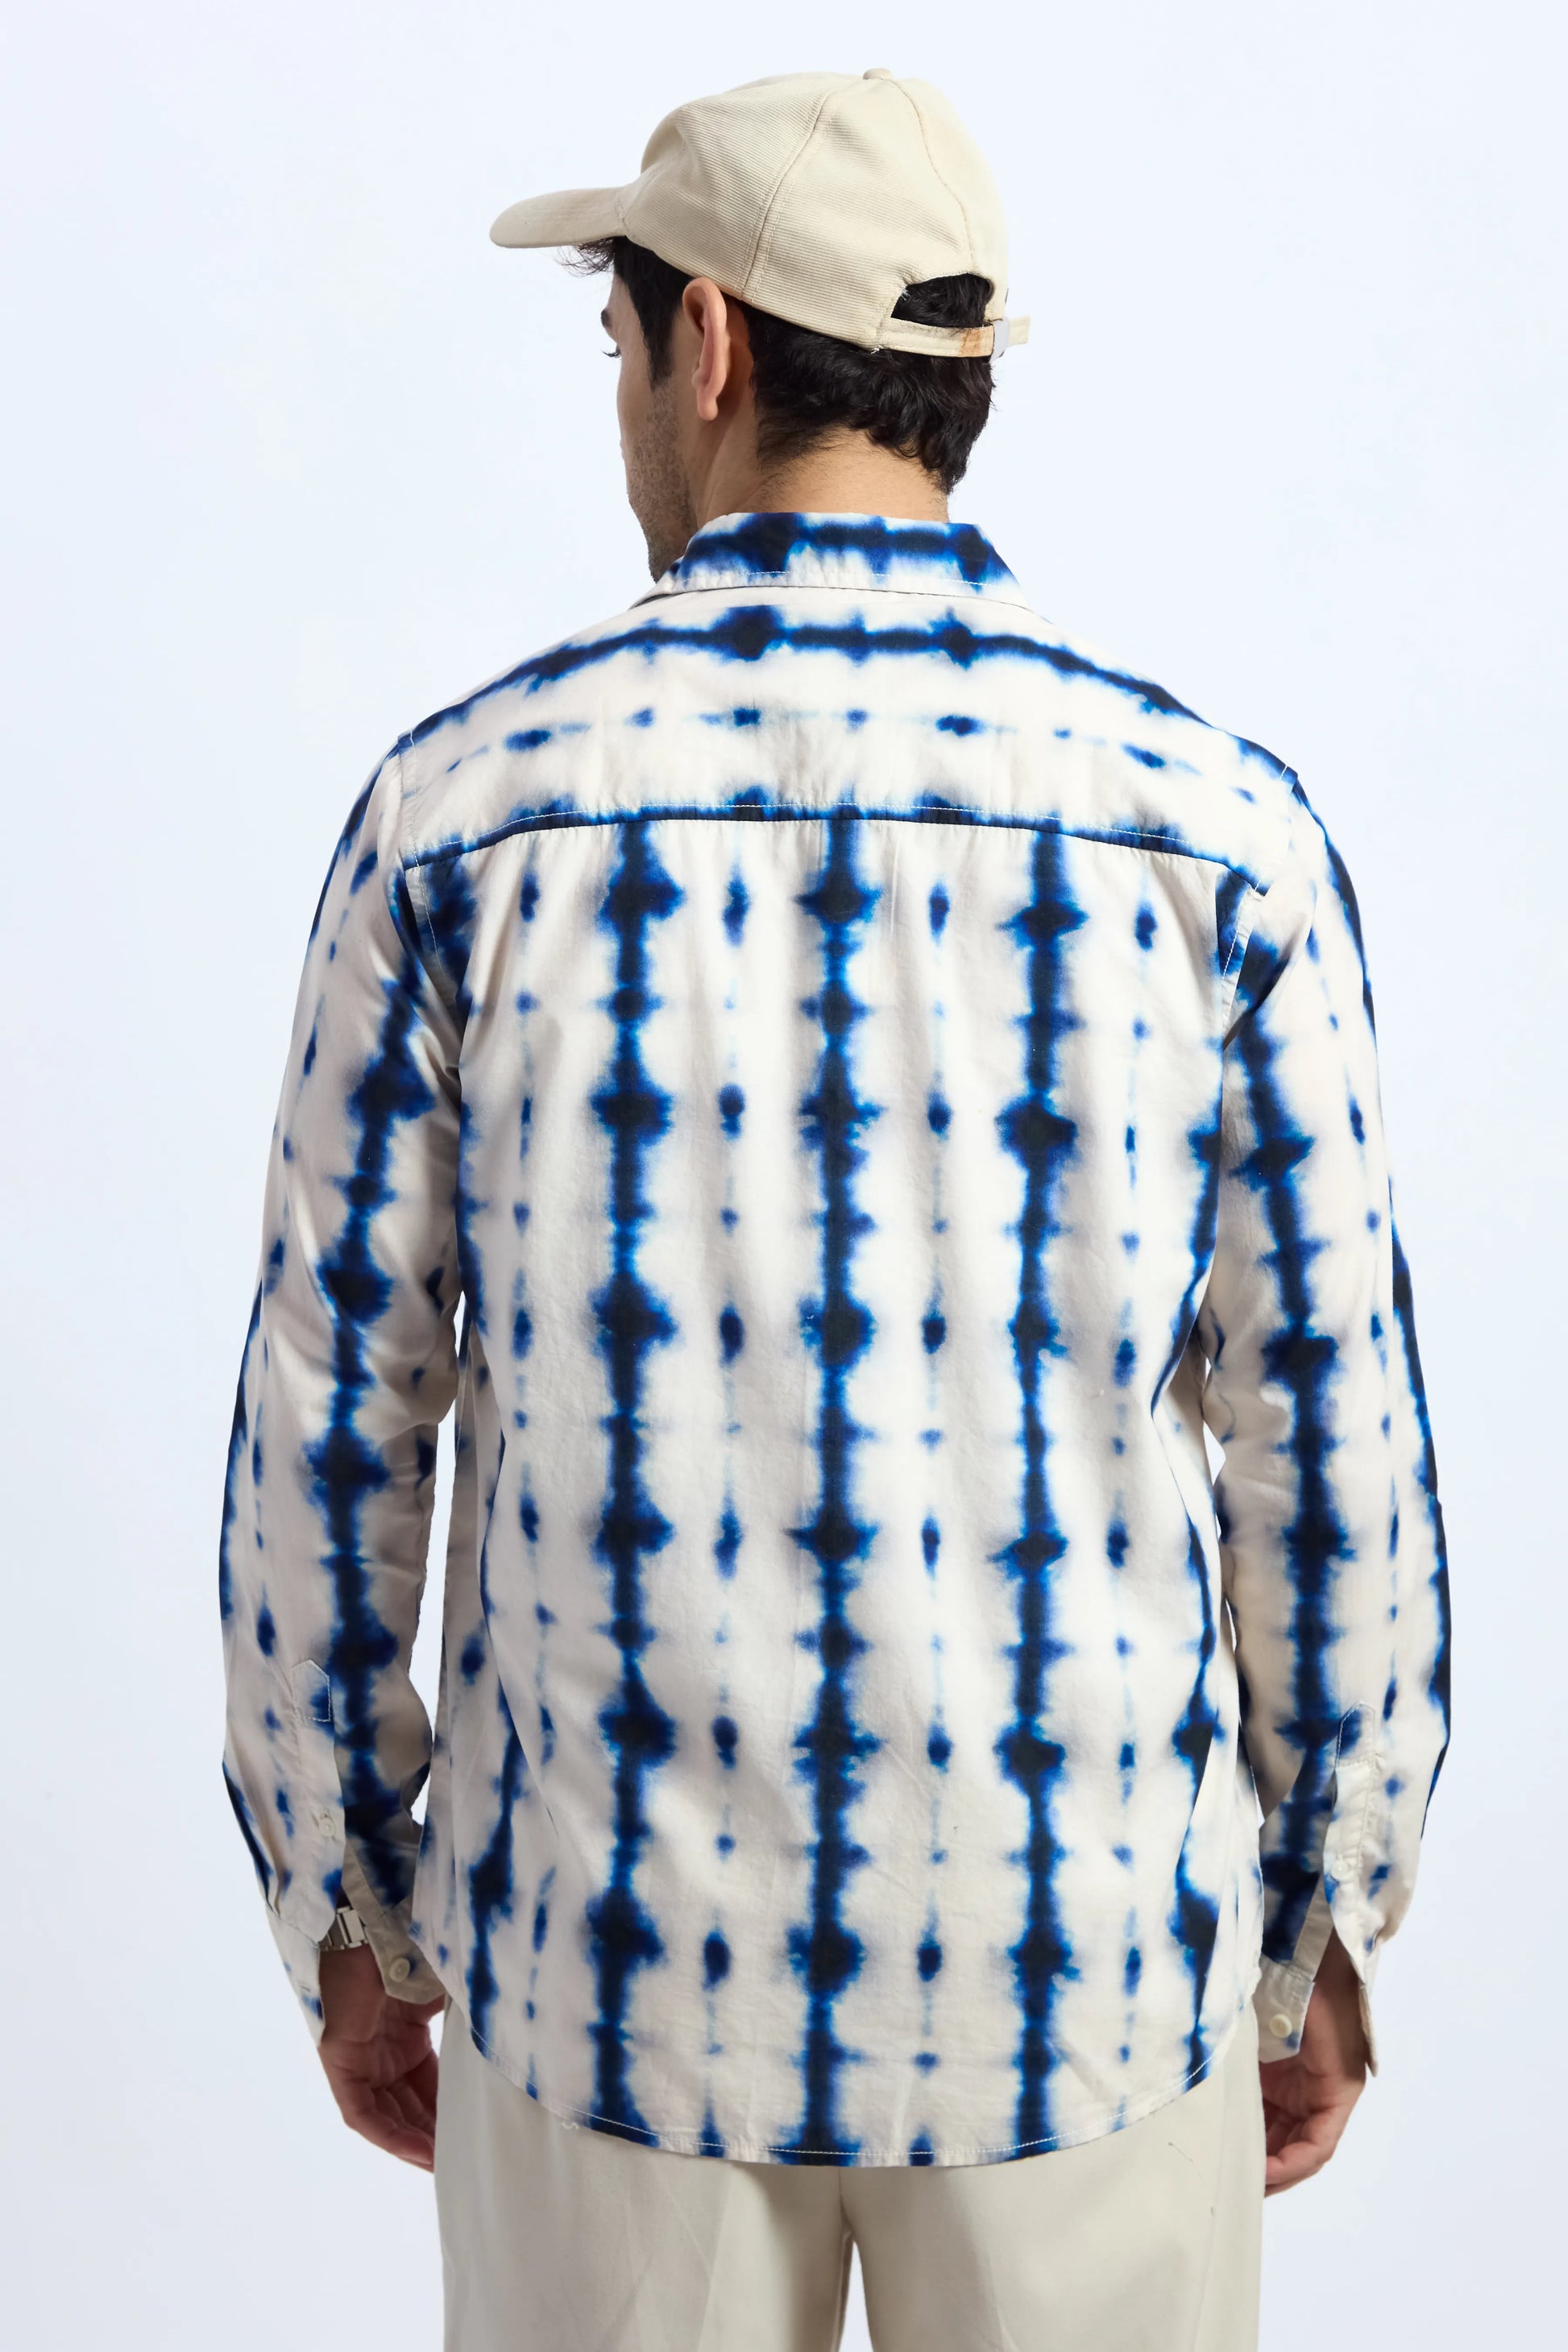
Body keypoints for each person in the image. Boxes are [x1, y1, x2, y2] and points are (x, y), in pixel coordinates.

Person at [218, 65, 1451, 2352]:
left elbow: (332, 1415)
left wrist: (351, 1905)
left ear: (703, 344)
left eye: (616, 338)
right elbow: (1328, 1431)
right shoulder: (1216, 833)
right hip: (1084, 1975)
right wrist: (1319, 1919)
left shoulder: (461, 816)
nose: (620, 392)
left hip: (605, 1992)